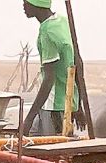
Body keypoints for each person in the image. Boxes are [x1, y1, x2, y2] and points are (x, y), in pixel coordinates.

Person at [20, 0, 80, 137]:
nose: (23, 6)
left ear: (36, 4)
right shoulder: (62, 21)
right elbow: (77, 64)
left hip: (54, 107)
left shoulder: (47, 32)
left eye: (26, 2)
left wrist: (28, 119)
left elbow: (49, 79)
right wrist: (78, 104)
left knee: (50, 147)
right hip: (67, 104)